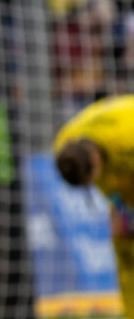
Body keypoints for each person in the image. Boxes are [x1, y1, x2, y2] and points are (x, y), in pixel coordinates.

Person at [54, 94, 134, 317]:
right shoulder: (64, 145)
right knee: (125, 247)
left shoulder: (127, 139)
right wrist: (119, 208)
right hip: (123, 177)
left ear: (96, 161)